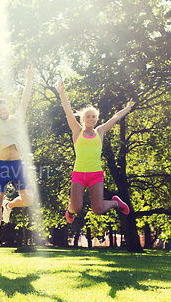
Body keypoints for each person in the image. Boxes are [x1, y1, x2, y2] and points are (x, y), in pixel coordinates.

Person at [56, 79, 131, 223]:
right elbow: (68, 111)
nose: (91, 119)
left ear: (97, 119)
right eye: (88, 116)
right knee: (76, 208)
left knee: (98, 210)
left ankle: (115, 202)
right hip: (78, 175)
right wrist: (61, 93)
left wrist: (127, 109)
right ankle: (69, 209)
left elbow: (114, 118)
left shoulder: (100, 131)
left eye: (93, 117)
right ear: (83, 119)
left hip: (96, 175)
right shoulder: (77, 131)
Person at [0, 64, 35, 254]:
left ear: (7, 108)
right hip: (2, 165)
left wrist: (29, 78)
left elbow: (25, 100)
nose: (3, 111)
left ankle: (9, 205)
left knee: (28, 199)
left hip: (18, 165)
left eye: (5, 108)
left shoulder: (17, 118)